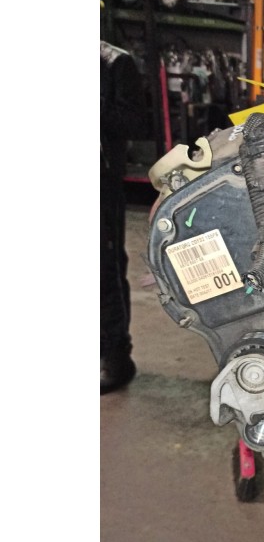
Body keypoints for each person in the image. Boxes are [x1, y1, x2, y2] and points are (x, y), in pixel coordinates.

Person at [100, 40, 147, 394]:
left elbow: (133, 121)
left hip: (99, 183)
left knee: (104, 270)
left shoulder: (115, 62)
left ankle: (115, 357)